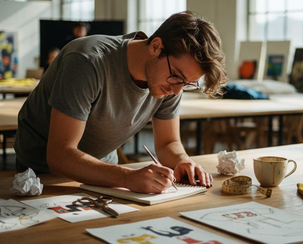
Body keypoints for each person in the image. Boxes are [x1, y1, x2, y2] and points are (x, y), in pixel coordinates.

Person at [14, 11, 227, 194]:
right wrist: (127, 177)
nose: (177, 89)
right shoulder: (87, 62)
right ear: (155, 46)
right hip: (41, 173)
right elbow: (60, 155)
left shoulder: (171, 80)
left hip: (104, 170)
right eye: (177, 77)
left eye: (189, 83)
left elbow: (167, 143)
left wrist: (182, 160)